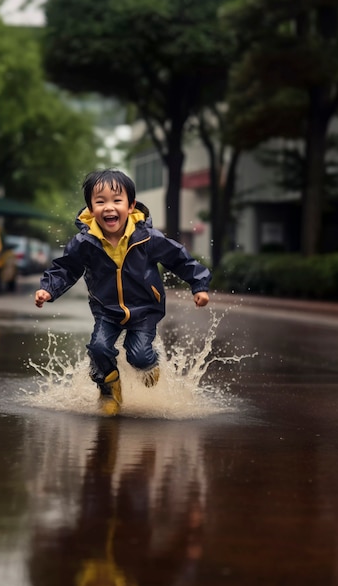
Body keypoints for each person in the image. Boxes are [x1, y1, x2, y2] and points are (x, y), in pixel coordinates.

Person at [34, 169, 211, 416]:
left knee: (138, 356)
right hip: (106, 310)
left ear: (130, 206)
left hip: (145, 309)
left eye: (117, 201)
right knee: (98, 348)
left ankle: (150, 364)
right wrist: (47, 289)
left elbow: (178, 258)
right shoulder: (85, 242)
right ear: (90, 207)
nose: (109, 207)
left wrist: (199, 285)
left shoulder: (146, 238)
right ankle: (108, 390)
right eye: (100, 201)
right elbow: (66, 268)